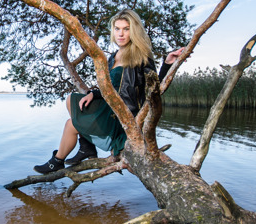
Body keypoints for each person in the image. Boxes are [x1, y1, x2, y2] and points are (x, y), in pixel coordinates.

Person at [34, 9, 185, 174]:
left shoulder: (141, 55)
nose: (121, 33)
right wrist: (94, 94)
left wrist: (168, 63)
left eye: (126, 29)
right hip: (110, 106)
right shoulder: (113, 57)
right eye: (117, 29)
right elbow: (111, 87)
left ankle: (57, 161)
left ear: (133, 31)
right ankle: (86, 147)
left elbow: (156, 86)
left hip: (123, 115)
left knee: (71, 124)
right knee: (72, 99)